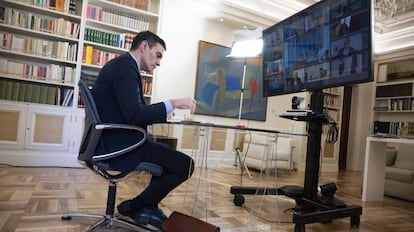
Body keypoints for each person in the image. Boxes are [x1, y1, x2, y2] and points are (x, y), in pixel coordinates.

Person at [90, 31, 197, 229]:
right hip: (118, 145)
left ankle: (145, 206)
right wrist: (173, 103)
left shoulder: (123, 66)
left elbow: (132, 112)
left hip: (113, 140)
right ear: (144, 46)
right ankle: (135, 206)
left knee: (167, 157)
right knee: (185, 165)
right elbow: (135, 115)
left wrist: (162, 111)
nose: (159, 63)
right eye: (158, 55)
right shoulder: (125, 67)